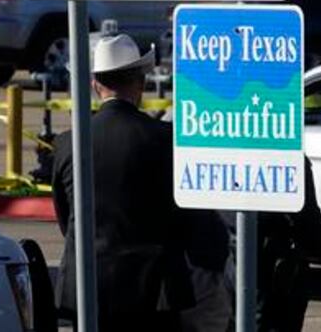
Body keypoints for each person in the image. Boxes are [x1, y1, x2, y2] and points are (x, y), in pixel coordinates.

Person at [51, 34, 228, 330]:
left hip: (86, 285)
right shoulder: (164, 139)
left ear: (95, 85)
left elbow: (65, 214)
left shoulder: (69, 143)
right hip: (151, 289)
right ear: (141, 84)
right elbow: (184, 216)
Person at [255, 156, 321, 332]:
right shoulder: (289, 155)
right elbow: (307, 218)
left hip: (223, 266)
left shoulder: (217, 151)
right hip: (277, 267)